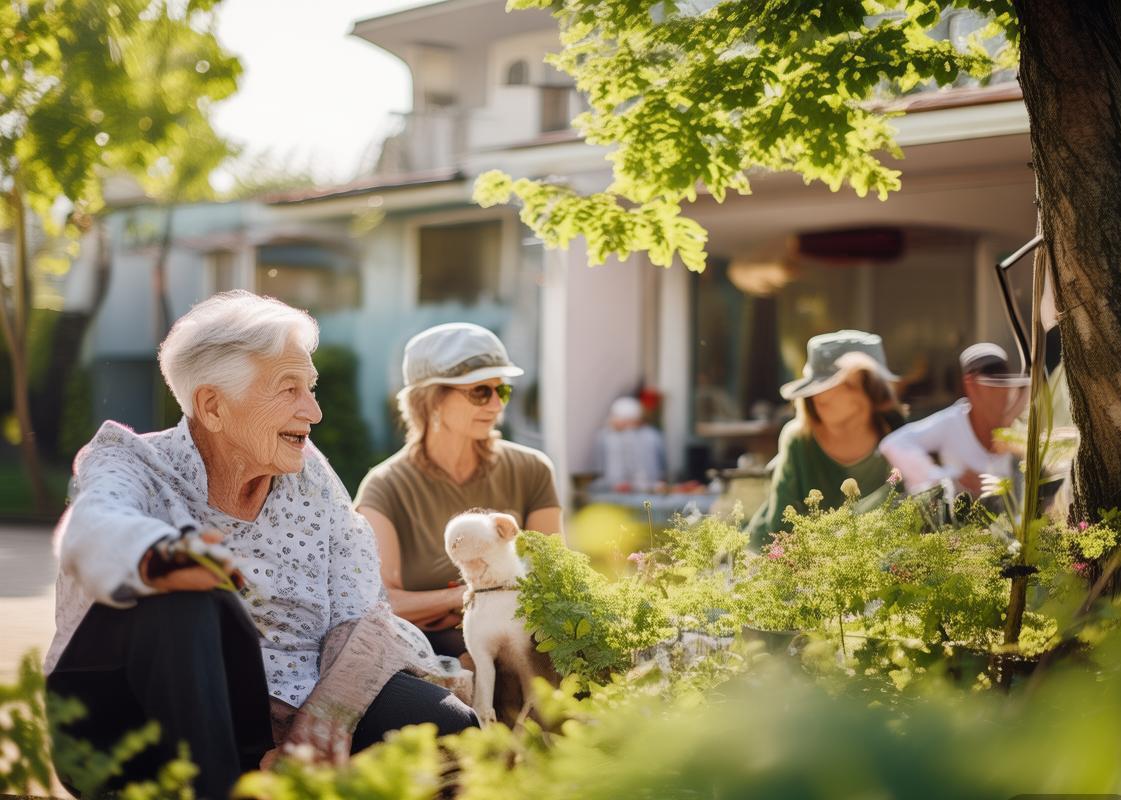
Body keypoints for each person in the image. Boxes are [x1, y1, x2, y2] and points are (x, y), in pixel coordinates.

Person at [46, 292, 477, 800]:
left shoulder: (309, 475)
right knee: (193, 600)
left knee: (447, 729)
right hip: (139, 713)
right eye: (289, 389)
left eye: (310, 388)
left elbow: (362, 615)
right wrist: (161, 558)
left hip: (291, 708)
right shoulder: (132, 460)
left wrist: (315, 733)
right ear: (212, 406)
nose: (313, 411)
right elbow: (94, 524)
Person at [354, 323, 563, 658]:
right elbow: (377, 603)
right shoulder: (385, 487)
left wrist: (430, 604)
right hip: (429, 662)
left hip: (525, 651)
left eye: (502, 391)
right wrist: (468, 595)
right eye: (480, 392)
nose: (496, 405)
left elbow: (555, 578)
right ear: (431, 400)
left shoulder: (532, 470)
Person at [746, 330, 904, 549]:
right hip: (789, 558)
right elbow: (780, 527)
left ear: (870, 390)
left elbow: (911, 518)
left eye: (841, 384)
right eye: (818, 383)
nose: (822, 394)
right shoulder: (798, 439)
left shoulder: (900, 438)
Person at [879, 342, 1030, 500]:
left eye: (1004, 383)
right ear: (970, 385)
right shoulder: (952, 422)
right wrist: (949, 479)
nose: (1002, 392)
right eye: (992, 385)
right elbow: (893, 444)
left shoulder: (1020, 427)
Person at [590, 396, 667, 492]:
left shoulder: (650, 436)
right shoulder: (605, 436)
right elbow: (600, 466)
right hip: (614, 488)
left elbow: (660, 463)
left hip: (647, 488)